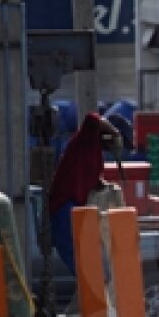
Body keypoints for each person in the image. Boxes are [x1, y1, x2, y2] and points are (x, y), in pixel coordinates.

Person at [47, 112, 124, 273]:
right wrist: (115, 132)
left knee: (88, 259)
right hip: (64, 206)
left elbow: (94, 181)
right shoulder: (84, 142)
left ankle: (92, 290)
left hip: (77, 209)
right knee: (78, 259)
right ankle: (89, 289)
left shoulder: (96, 156)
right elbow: (91, 119)